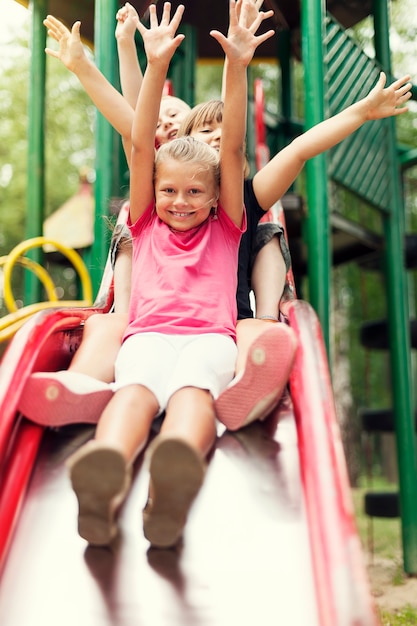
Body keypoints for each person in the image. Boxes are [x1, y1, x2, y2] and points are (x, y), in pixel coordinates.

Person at [66, 0, 276, 548]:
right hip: (162, 338)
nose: (179, 200)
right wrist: (150, 64)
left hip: (203, 338)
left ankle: (145, 467)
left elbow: (229, 149)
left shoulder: (230, 222)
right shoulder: (147, 219)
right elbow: (140, 144)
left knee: (143, 395)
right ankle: (115, 465)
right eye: (168, 189)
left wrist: (236, 65)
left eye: (193, 191)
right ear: (154, 188)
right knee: (175, 400)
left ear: (214, 199)